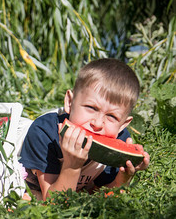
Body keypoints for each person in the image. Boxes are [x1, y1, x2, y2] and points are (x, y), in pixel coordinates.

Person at [19, 58, 150, 200]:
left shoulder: (120, 140)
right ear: (69, 102)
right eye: (91, 108)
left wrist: (122, 179)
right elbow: (53, 204)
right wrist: (72, 165)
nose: (98, 123)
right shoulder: (44, 132)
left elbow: (101, 196)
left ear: (123, 125)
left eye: (112, 116)